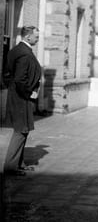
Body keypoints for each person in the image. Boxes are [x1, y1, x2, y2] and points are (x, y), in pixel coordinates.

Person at [3, 26, 42, 176]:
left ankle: (18, 164)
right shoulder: (24, 54)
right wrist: (30, 93)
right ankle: (11, 167)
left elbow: (8, 74)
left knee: (23, 130)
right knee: (21, 130)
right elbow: (20, 79)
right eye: (36, 37)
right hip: (21, 96)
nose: (37, 40)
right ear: (27, 37)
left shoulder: (16, 50)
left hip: (16, 94)